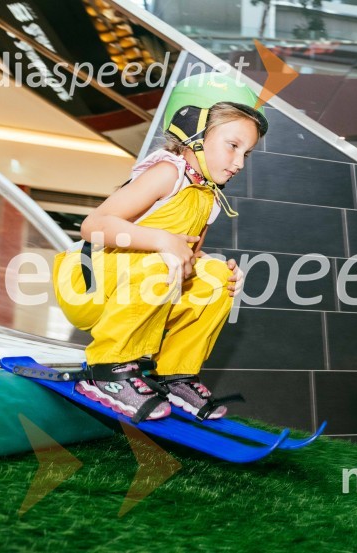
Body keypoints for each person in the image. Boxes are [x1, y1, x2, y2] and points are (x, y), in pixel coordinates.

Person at [52, 71, 267, 423]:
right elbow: (93, 226)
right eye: (233, 146)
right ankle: (106, 370)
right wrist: (162, 241)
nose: (240, 162)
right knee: (163, 259)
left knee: (215, 277)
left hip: (135, 283)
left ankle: (174, 375)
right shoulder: (167, 172)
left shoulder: (209, 198)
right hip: (88, 283)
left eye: (247, 153)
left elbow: (188, 255)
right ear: (192, 131)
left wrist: (215, 271)